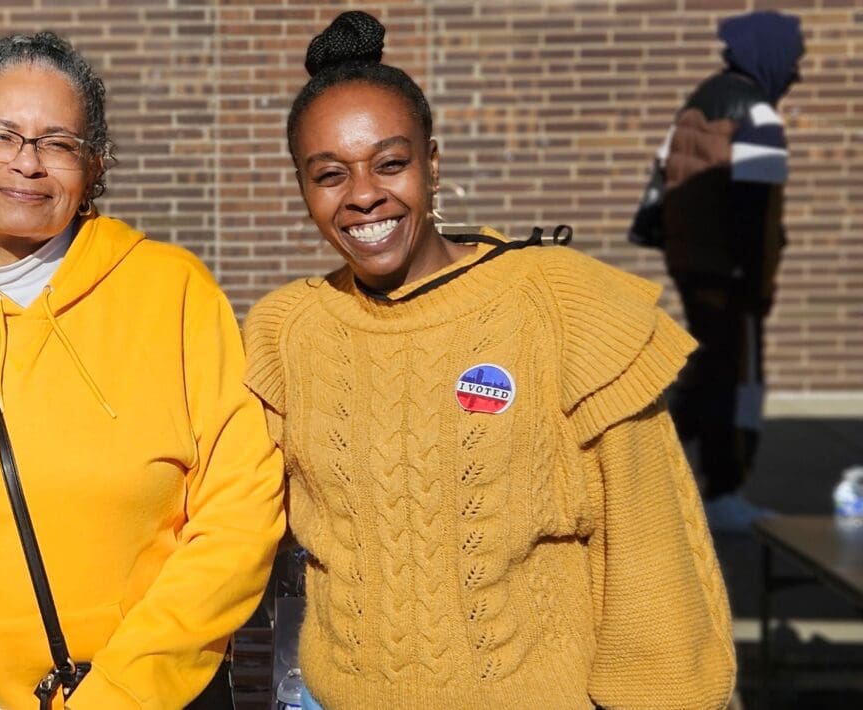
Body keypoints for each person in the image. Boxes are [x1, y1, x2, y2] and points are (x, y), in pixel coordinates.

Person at [243, 11, 735, 709]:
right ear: (302, 187)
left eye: (391, 163)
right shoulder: (286, 330)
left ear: (432, 163)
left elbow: (648, 539)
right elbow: (234, 521)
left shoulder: (558, 305)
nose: (363, 195)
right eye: (329, 174)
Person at [0, 31, 284, 709]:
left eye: (58, 143)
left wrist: (123, 691)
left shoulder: (173, 294)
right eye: (0, 135)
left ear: (94, 170)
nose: (27, 164)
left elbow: (241, 514)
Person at [629, 11, 805, 532]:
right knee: (737, 379)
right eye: (793, 60)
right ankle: (725, 493)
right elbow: (753, 209)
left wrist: (668, 242)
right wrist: (755, 285)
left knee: (707, 369)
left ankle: (652, 472)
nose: (796, 73)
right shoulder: (758, 115)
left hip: (692, 261)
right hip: (732, 275)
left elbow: (662, 180)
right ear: (769, 55)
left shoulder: (699, 101)